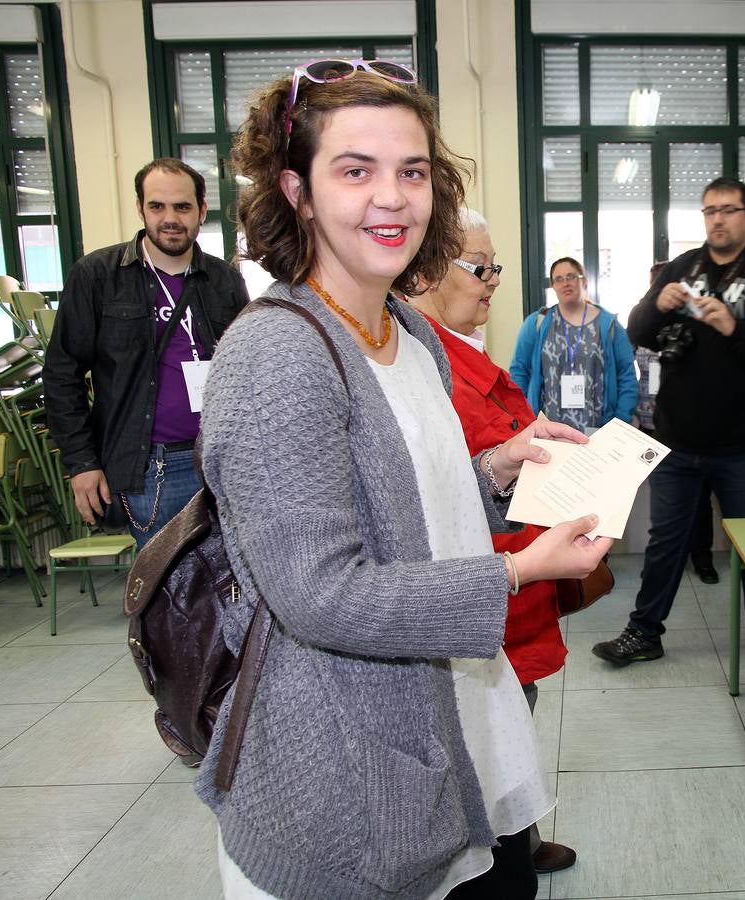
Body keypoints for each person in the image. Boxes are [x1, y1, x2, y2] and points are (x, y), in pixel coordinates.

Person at [197, 58, 609, 899]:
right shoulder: (275, 352)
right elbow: (319, 593)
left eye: (412, 171)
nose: (393, 197)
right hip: (352, 759)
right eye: (356, 170)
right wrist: (516, 571)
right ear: (297, 191)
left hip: (457, 716)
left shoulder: (403, 332)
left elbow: (400, 492)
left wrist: (495, 466)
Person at [409, 206, 576, 876]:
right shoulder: (426, 367)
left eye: (494, 267)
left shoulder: (458, 352)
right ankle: (506, 849)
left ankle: (520, 839)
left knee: (510, 732)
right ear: (424, 272)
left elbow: (491, 457)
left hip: (514, 586)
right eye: (479, 267)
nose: (492, 281)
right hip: (487, 596)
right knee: (485, 745)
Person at [592, 176, 745, 672]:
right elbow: (638, 330)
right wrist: (657, 303)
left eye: (728, 209)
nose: (718, 218)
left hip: (743, 444)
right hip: (678, 439)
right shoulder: (683, 267)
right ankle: (643, 632)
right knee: (665, 543)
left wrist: (736, 328)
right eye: (710, 210)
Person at [43, 158, 250, 547]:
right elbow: (60, 376)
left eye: (183, 207)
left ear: (202, 211)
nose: (170, 218)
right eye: (157, 206)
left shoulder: (224, 280)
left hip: (224, 462)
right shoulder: (98, 276)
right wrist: (83, 464)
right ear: (140, 209)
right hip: (154, 468)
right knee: (164, 597)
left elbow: (246, 371)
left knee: (235, 593)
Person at [635, 261, 718, 584]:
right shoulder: (643, 323)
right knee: (665, 498)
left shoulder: (695, 321)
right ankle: (666, 562)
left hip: (688, 422)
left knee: (699, 497)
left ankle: (702, 557)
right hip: (651, 421)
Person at [509, 256, 638, 433]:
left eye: (571, 277)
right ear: (553, 285)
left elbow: (627, 376)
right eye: (558, 279)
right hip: (548, 431)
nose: (565, 283)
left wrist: (620, 422)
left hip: (597, 431)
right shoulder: (537, 323)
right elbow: (519, 370)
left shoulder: (609, 325)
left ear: (583, 281)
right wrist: (523, 416)